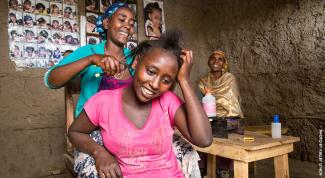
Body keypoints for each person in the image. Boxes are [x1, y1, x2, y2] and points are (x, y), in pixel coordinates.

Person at [45, 2, 201, 177]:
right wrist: (91, 60)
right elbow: (52, 80)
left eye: (132, 22)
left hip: (134, 129)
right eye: (122, 19)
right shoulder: (89, 51)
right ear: (106, 23)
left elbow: (154, 90)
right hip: (95, 129)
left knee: (187, 151)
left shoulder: (137, 57)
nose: (128, 25)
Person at [68, 30, 212, 178]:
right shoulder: (103, 101)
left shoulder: (168, 101)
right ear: (136, 62)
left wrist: (184, 80)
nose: (155, 85)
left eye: (166, 80)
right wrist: (99, 152)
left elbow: (204, 139)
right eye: (150, 72)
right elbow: (74, 132)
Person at [197, 50, 244, 178]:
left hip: (230, 116)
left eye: (220, 59)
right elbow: (200, 102)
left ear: (224, 63)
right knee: (198, 130)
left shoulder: (229, 78)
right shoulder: (202, 82)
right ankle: (201, 167)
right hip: (209, 117)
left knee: (222, 128)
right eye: (213, 58)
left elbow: (232, 101)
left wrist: (212, 101)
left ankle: (224, 169)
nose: (216, 61)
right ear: (208, 62)